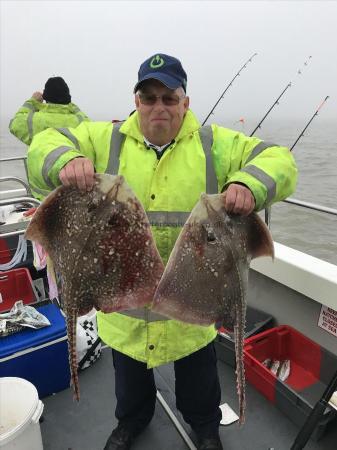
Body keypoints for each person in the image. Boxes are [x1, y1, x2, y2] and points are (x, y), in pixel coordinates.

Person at [27, 53, 298, 450]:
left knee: (199, 383)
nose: (159, 107)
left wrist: (250, 183)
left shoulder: (214, 145)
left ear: (185, 103)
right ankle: (131, 423)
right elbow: (43, 144)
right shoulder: (103, 138)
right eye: (149, 97)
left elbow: (281, 160)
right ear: (136, 101)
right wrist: (66, 160)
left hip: (190, 304)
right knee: (129, 386)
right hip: (124, 308)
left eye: (169, 98)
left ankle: (206, 428)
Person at [9, 76, 90, 145]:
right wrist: (71, 106)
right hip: (77, 163)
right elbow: (87, 122)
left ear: (45, 97)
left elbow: (15, 124)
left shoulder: (34, 120)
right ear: (68, 97)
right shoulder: (80, 122)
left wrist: (32, 102)